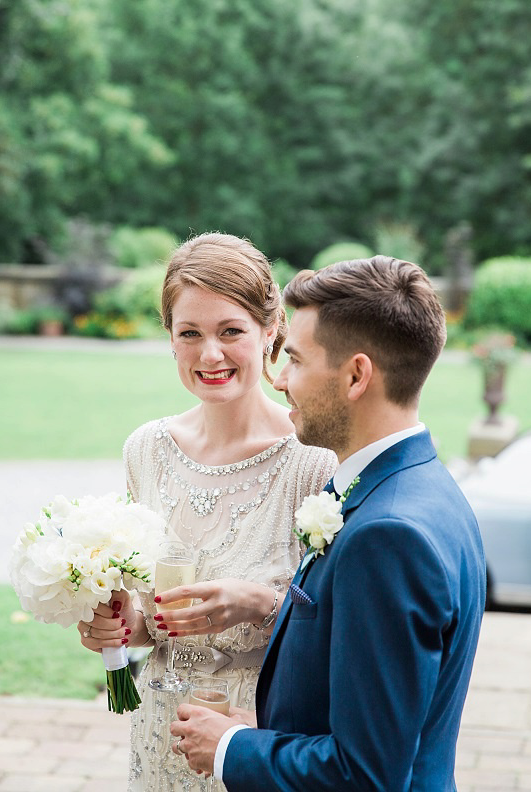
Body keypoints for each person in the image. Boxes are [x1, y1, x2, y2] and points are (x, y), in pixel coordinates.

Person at [170, 255, 487, 790]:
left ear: (356, 375)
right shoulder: (417, 485)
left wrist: (229, 747)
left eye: (294, 359)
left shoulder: (391, 535)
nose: (280, 380)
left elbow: (365, 774)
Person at [76, 232, 336, 791]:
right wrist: (119, 627)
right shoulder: (144, 450)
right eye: (189, 333)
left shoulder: (313, 463)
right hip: (159, 733)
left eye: (231, 331)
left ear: (271, 333)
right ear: (169, 339)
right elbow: (154, 626)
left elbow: (339, 630)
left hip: (260, 739)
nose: (209, 354)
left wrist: (260, 603)